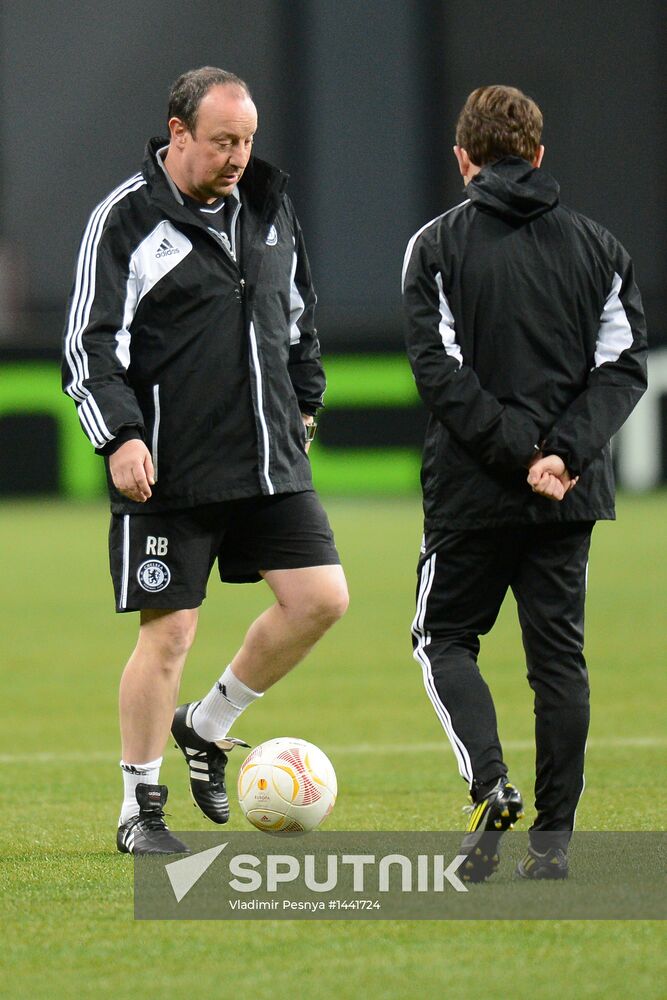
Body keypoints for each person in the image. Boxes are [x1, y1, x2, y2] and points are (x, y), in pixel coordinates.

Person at [62, 67, 348, 855]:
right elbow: (89, 348)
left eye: (248, 141)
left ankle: (208, 725)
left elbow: (298, 317)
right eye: (223, 141)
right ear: (177, 132)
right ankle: (139, 812)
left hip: (266, 459)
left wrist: (306, 401)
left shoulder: (266, 204)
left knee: (321, 599)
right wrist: (119, 436)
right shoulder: (124, 220)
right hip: (172, 468)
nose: (238, 157)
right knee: (170, 634)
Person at [401, 85, 647, 882]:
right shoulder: (599, 248)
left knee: (442, 638)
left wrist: (517, 454)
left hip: (473, 492)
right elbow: (621, 368)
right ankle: (554, 843)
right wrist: (561, 458)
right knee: (558, 665)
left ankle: (488, 782)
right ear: (539, 155)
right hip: (563, 499)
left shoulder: (435, 246)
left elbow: (438, 371)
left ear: (462, 158)